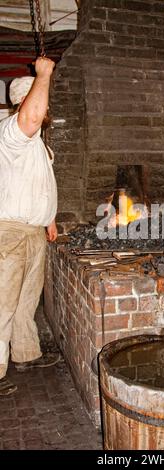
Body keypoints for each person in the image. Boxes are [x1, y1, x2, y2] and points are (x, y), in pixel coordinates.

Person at [0, 57, 60, 396]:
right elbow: (31, 117)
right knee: (2, 304)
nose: (44, 111)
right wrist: (44, 74)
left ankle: (24, 353)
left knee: (25, 303)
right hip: (9, 232)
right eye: (40, 101)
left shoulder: (38, 146)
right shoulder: (11, 133)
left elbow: (40, 184)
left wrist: (49, 218)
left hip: (33, 233)